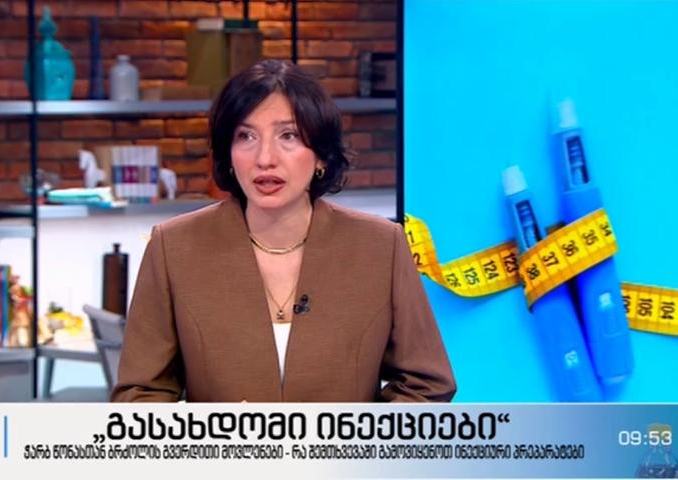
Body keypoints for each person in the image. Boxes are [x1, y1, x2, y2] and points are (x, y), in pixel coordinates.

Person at [111, 59, 455, 402]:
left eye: (288, 135)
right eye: (246, 136)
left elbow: (425, 385)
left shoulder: (380, 247)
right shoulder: (174, 247)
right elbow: (140, 393)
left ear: (321, 155)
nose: (265, 158)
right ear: (228, 154)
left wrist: (357, 433)